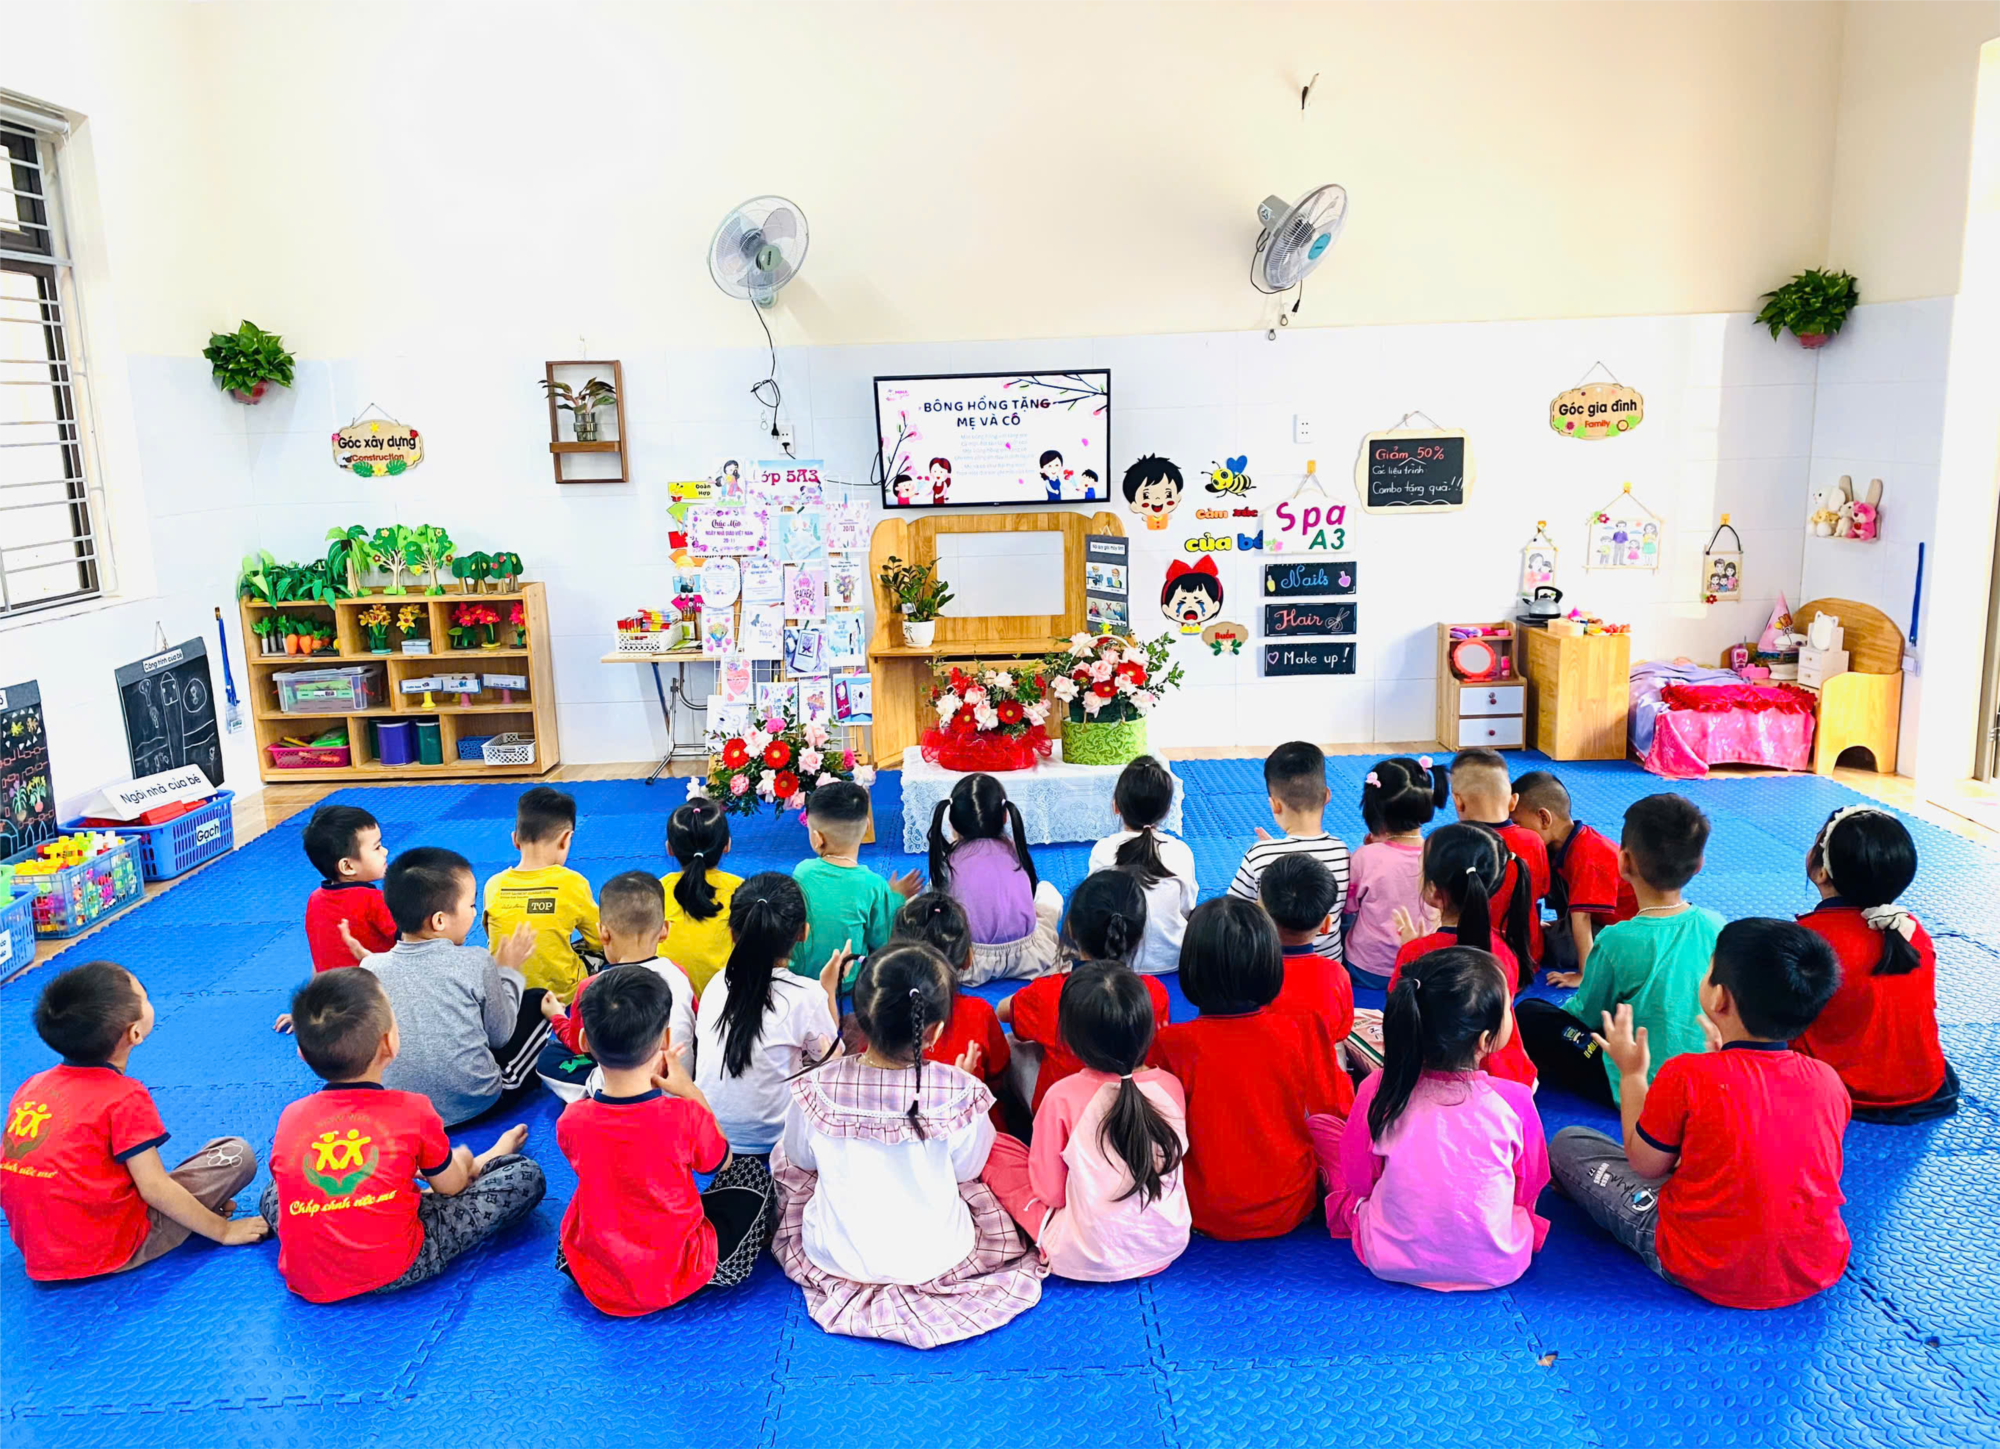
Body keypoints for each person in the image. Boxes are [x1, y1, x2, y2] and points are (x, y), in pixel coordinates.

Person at [1550, 920, 1849, 1309]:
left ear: (1719, 997)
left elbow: (1645, 1165)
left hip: (1700, 1264)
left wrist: (1632, 1074)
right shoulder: (1827, 1080)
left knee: (1567, 1143)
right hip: (1815, 1266)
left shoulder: (1687, 1074)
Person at [771, 943, 1046, 1348]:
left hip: (835, 1254)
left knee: (782, 1156)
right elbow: (968, 1170)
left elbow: (799, 1158)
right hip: (939, 1254)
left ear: (860, 1015)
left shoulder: (816, 1087)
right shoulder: (957, 1089)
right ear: (934, 1031)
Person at [264, 970, 543, 1302]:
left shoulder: (290, 1116)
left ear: (301, 1052)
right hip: (400, 1264)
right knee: (525, 1176)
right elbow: (453, 1188)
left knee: (273, 1192)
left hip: (309, 1277)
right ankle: (481, 1163)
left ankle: (399, 1196)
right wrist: (469, 1159)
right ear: (390, 1043)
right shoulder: (413, 1109)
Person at [1, 962, 266, 1281]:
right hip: (111, 1249)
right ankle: (194, 1220)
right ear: (135, 1033)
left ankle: (188, 1216)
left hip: (40, 1250)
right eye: (144, 997)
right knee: (236, 1154)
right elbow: (154, 1188)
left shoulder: (32, 1086)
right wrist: (222, 1231)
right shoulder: (124, 1096)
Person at [1313, 946, 1549, 1291]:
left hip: (1389, 1259)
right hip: (1499, 1262)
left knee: (1321, 1127)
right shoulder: (1515, 1100)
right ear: (1486, 1040)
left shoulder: (1378, 1089)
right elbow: (1530, 1184)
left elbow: (1360, 1180)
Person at [557, 964, 775, 1316]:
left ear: (584, 1042)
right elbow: (722, 1161)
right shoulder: (682, 1117)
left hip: (597, 1275)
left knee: (581, 1211)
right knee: (752, 1174)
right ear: (666, 1040)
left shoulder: (571, 1120)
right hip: (675, 1275)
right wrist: (690, 1091)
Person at [1150, 898, 1352, 1240]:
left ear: (1191, 969)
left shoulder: (1171, 1044)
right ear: (1270, 965)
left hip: (1205, 1211)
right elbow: (1321, 1105)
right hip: (1292, 1204)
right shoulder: (1294, 1032)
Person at [982, 965, 1190, 1281]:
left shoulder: (1061, 1097)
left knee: (996, 1146)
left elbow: (1050, 1194)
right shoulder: (1171, 1086)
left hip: (1082, 1257)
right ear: (1149, 1029)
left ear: (1069, 1038)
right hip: (1169, 1244)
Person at [1515, 794, 1720, 1107]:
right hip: (1705, 1082)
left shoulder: (1616, 940)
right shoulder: (1717, 925)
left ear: (1623, 862)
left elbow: (1588, 1014)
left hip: (1636, 1086)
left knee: (1530, 1013)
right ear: (1699, 865)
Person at [1794, 806, 1957, 1121]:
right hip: (1925, 1086)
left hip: (1841, 1091)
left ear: (1821, 872)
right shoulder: (1910, 930)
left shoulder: (1807, 938)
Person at [362, 846, 543, 1126]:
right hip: (475, 1102)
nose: (474, 913)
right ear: (439, 921)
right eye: (471, 905)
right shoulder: (476, 960)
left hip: (402, 1111)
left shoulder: (370, 968)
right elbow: (500, 1036)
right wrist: (508, 969)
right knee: (539, 1002)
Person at [697, 872, 841, 1155]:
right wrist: (829, 989)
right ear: (803, 933)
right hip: (775, 1142)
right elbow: (830, 1059)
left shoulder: (717, 983)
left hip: (711, 1136)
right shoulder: (808, 995)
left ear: (732, 934)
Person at [1001, 871, 1169, 1112]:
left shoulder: (1050, 992)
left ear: (1070, 927)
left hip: (1064, 1111)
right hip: (1134, 1109)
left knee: (1010, 1042)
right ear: (1138, 936)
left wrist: (1039, 988)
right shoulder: (1154, 992)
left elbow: (1002, 1012)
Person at [1388, 824, 1536, 1089]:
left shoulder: (1416, 953)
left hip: (1454, 1080)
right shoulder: (1504, 947)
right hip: (1511, 1073)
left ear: (1434, 891)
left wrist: (1413, 952)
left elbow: (1402, 1013)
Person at [535, 872, 696, 1103]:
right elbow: (696, 1024)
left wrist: (557, 1017)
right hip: (682, 1086)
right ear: (664, 930)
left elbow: (580, 1046)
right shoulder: (679, 974)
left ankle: (599, 1097)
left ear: (603, 932)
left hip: (621, 1091)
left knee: (550, 1056)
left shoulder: (593, 986)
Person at [888, 892, 1014, 1125]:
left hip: (891, 1133)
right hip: (972, 1130)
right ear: (967, 958)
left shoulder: (876, 1014)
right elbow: (998, 1073)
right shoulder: (979, 1012)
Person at [928, 772, 1062, 986]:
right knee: (1048, 892)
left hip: (970, 962)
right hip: (1027, 957)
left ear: (952, 820)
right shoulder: (1013, 848)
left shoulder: (949, 860)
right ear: (1005, 816)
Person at [1226, 741, 1351, 962]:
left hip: (1271, 964)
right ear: (1326, 796)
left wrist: (1270, 850)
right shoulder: (1342, 851)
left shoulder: (1259, 855)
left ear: (1275, 805)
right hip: (1329, 963)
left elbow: (1234, 909)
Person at [1510, 770, 1637, 976]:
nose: (1515, 830)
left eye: (1518, 823)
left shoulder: (1588, 854)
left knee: (1547, 945)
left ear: (1544, 818)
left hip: (1625, 933)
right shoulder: (1561, 847)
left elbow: (1582, 919)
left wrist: (1584, 975)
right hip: (1597, 918)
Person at [791, 781, 920, 981]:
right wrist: (895, 898)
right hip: (846, 980)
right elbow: (881, 939)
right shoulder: (873, 884)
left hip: (801, 976)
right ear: (867, 826)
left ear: (817, 838)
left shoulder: (802, 871)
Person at [482, 786, 602, 1001]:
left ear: (515, 839)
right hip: (560, 997)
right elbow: (600, 939)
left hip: (505, 993)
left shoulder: (494, 885)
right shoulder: (572, 882)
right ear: (566, 839)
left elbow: (493, 938)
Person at [1087, 755, 1197, 977]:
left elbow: (1092, 908)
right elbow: (1187, 907)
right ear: (1167, 811)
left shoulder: (1103, 850)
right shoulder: (1180, 851)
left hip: (1115, 959)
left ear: (1116, 806)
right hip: (1174, 957)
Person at [1344, 756, 1446, 990]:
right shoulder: (1440, 853)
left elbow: (1349, 907)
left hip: (1369, 969)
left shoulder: (1365, 857)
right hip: (1424, 966)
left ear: (1374, 811)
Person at [1450, 749, 1550, 969]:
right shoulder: (1534, 840)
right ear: (1513, 801)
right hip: (1527, 957)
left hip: (1475, 963)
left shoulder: (1451, 844)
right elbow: (1542, 890)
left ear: (1458, 801)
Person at [1258, 853, 1356, 1038]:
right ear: (1326, 925)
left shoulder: (1244, 970)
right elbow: (1341, 1032)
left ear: (1259, 916)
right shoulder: (1336, 974)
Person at [661, 797, 743, 997]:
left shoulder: (658, 889)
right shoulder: (740, 889)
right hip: (726, 997)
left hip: (668, 997)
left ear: (669, 848)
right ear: (727, 844)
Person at [301, 804, 395, 972]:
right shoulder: (375, 900)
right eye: (377, 847)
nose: (385, 851)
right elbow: (414, 942)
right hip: (373, 986)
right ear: (347, 866)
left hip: (330, 986)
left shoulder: (315, 899)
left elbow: (320, 957)